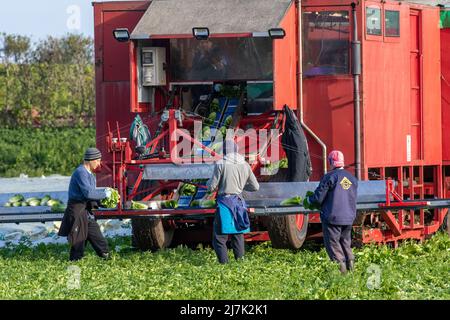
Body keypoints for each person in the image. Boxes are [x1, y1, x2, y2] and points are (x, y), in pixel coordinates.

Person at [206, 139, 259, 264]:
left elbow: (212, 187)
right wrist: (241, 187)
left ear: (224, 151)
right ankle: (240, 264)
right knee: (238, 235)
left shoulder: (221, 163)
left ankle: (224, 264)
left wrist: (207, 184)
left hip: (225, 203)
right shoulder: (245, 164)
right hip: (239, 203)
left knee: (219, 238)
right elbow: (255, 187)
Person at [304, 150, 358, 274]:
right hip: (349, 217)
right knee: (346, 243)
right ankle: (352, 270)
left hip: (332, 218)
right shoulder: (352, 178)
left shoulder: (330, 177)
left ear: (331, 162)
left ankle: (342, 274)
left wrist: (308, 200)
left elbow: (318, 198)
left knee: (334, 246)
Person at [58, 148, 112, 261]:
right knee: (78, 242)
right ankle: (74, 263)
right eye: (97, 161)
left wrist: (105, 203)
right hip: (77, 210)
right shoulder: (80, 172)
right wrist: (104, 194)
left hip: (86, 212)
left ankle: (106, 258)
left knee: (98, 238)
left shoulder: (91, 175)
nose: (99, 163)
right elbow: (88, 193)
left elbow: (91, 196)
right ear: (90, 160)